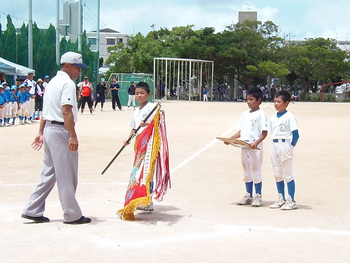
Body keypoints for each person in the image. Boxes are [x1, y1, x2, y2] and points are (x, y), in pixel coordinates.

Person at [22, 51, 91, 224]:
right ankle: (72, 214)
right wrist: (73, 135)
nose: (79, 72)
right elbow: (66, 110)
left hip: (49, 130)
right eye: (77, 68)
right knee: (67, 174)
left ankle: (33, 209)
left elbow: (46, 111)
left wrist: (40, 132)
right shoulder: (67, 83)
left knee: (48, 172)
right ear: (67, 65)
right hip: (61, 130)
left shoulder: (52, 82)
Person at [225, 88, 268, 207]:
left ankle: (258, 195)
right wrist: (231, 139)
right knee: (246, 171)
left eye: (251, 99)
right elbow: (241, 131)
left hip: (254, 147)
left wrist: (256, 142)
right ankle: (248, 194)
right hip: (244, 146)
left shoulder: (261, 115)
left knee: (255, 170)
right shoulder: (245, 115)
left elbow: (264, 133)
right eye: (247, 99)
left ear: (259, 100)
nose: (248, 102)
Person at [269, 90, 299, 210]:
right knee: (277, 173)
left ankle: (291, 200)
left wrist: (290, 146)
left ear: (286, 103)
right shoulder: (272, 117)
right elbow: (272, 132)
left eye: (279, 101)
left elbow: (295, 134)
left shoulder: (290, 117)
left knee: (287, 174)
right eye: (275, 101)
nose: (276, 104)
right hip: (274, 145)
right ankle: (281, 198)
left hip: (285, 145)